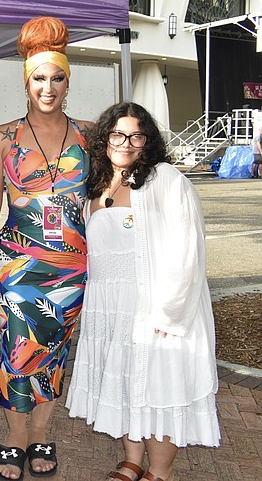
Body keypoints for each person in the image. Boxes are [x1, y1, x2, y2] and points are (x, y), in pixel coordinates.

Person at [0, 16, 92, 480]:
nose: (49, 87)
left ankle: (41, 433)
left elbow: (106, 200)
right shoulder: (4, 137)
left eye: (58, 78)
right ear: (26, 82)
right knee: (18, 351)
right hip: (18, 263)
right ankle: (15, 438)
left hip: (72, 268)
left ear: (68, 81)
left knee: (55, 352)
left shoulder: (89, 137)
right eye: (40, 78)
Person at [66, 102, 220, 481]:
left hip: (155, 304)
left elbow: (189, 248)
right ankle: (133, 460)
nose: (126, 143)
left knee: (159, 384)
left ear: (147, 141)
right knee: (123, 380)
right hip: (112, 306)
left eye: (136, 135)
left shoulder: (165, 178)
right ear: (105, 139)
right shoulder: (98, 184)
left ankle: (160, 471)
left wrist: (169, 312)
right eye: (117, 134)